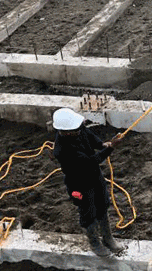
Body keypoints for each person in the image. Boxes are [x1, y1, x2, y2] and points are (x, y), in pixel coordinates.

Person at [52, 107, 124, 257]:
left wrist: (102, 144)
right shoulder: (63, 150)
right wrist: (111, 148)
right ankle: (95, 243)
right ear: (65, 132)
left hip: (94, 176)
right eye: (76, 129)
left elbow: (89, 136)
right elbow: (92, 161)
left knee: (102, 203)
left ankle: (108, 238)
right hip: (79, 183)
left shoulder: (78, 129)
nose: (80, 129)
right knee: (88, 211)